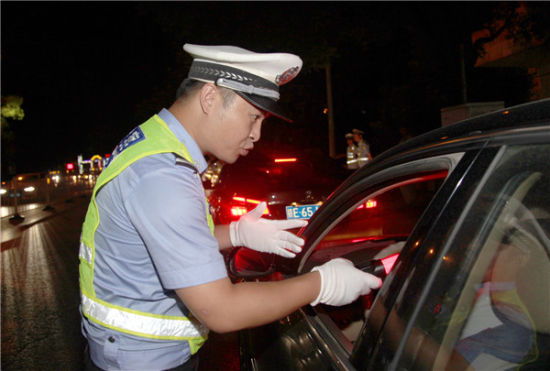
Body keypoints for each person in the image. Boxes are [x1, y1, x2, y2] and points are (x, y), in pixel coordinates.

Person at [78, 43, 382, 371]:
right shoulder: (163, 175)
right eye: (253, 117)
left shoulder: (154, 146)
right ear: (209, 98)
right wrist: (322, 284)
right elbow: (222, 310)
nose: (256, 135)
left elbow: (163, 239)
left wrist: (236, 233)